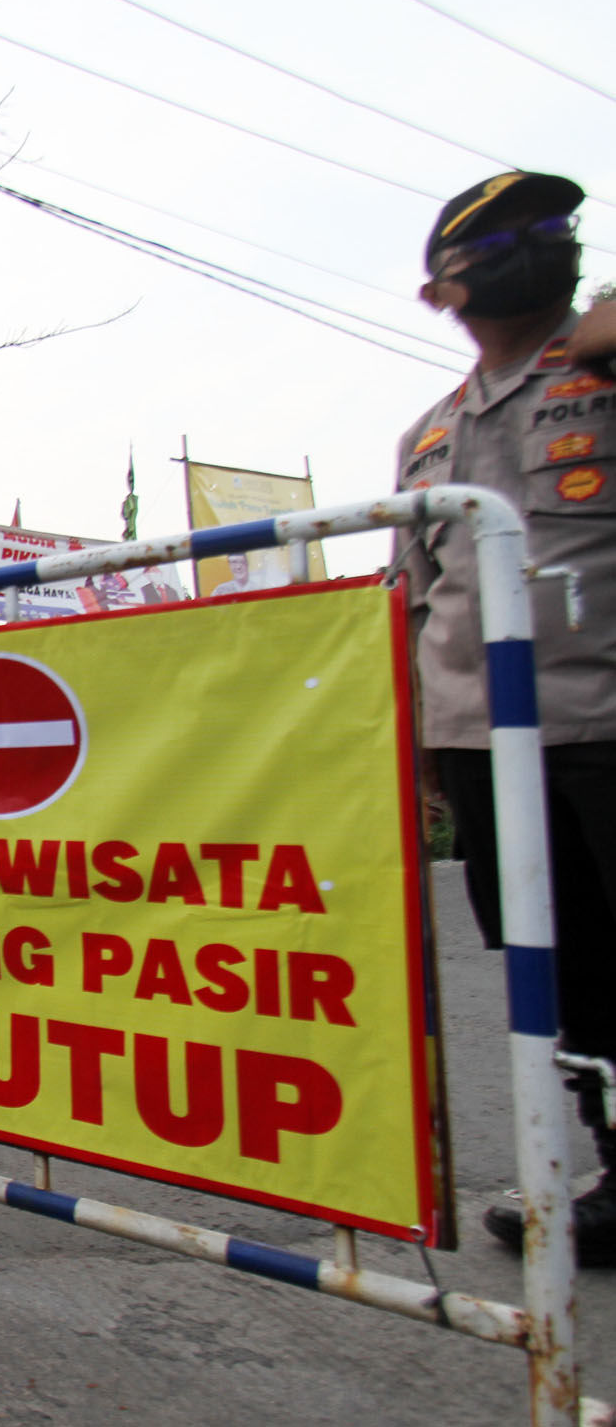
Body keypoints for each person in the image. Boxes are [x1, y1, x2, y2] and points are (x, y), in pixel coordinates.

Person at [392, 171, 616, 1265]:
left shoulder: (602, 373)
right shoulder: (428, 437)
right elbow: (409, 597)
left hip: (603, 724)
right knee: (559, 972)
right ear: (439, 290)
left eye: (553, 230)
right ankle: (615, 1171)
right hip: (479, 743)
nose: (544, 246)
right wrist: (415, 739)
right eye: (507, 241)